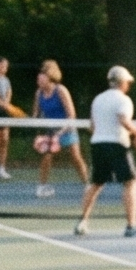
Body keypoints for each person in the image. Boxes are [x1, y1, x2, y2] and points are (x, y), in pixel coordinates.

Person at [74, 65, 136, 237]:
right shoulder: (124, 100)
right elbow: (123, 119)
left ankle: (82, 221)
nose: (128, 85)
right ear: (122, 82)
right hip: (117, 144)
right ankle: (131, 225)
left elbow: (92, 126)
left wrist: (103, 133)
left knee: (96, 183)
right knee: (130, 182)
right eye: (127, 82)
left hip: (97, 144)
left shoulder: (98, 99)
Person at [31, 61, 83, 198]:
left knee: (75, 157)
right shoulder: (39, 93)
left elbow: (72, 115)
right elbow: (36, 115)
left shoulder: (61, 90)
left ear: (50, 77)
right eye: (39, 76)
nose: (39, 78)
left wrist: (60, 133)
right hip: (50, 131)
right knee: (47, 156)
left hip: (67, 128)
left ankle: (87, 185)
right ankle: (42, 187)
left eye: (42, 76)